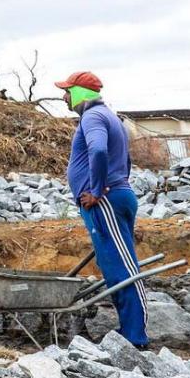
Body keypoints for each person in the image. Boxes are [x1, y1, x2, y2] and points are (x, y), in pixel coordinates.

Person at [58, 71, 149, 347]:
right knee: (114, 263)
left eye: (68, 91)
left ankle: (135, 337)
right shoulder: (109, 117)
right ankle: (130, 332)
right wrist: (117, 183)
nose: (64, 96)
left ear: (81, 92)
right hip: (113, 197)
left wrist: (98, 190)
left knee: (121, 268)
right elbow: (126, 159)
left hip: (104, 201)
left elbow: (98, 150)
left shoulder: (92, 116)